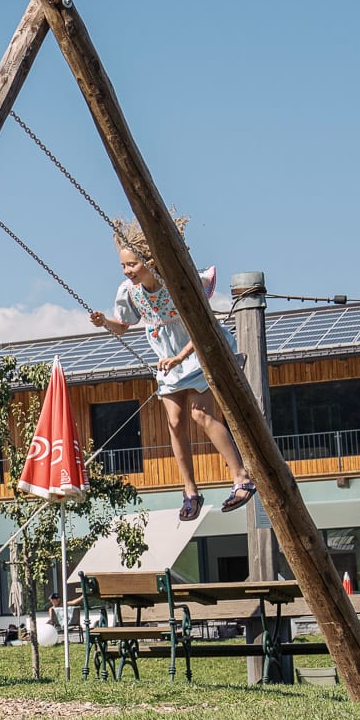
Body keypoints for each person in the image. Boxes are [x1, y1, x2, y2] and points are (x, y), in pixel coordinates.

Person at [89, 216, 255, 521]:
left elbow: (200, 327)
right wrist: (105, 322)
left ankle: (241, 477)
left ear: (150, 262)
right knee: (175, 422)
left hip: (197, 351)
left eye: (132, 265)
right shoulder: (130, 292)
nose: (127, 271)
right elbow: (123, 327)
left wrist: (180, 357)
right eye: (123, 266)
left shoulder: (175, 285)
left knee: (201, 415)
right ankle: (190, 491)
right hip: (169, 361)